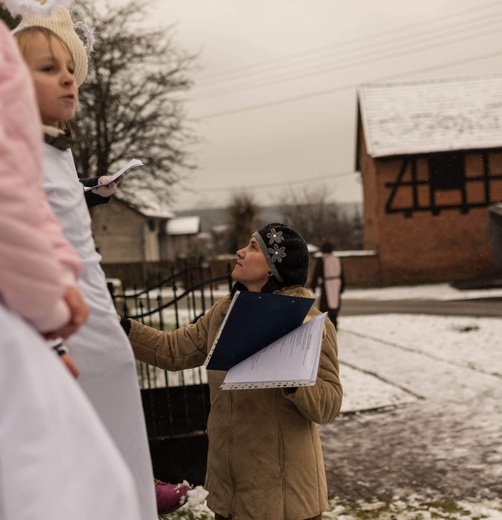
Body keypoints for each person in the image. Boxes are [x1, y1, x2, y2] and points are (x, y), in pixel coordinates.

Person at [0, 18, 144, 520]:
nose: (69, 80)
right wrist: (54, 336)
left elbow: (55, 218)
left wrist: (91, 192)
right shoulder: (13, 151)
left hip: (91, 318)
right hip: (64, 328)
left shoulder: (54, 147)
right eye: (48, 68)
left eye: (71, 70)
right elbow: (22, 234)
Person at [119, 222, 343, 520]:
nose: (240, 251)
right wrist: (119, 326)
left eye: (253, 248)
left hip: (283, 503)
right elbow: (172, 350)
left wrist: (293, 379)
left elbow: (329, 405)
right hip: (229, 498)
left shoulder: (307, 323)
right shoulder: (222, 313)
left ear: (273, 268)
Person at [311, 241, 345, 328]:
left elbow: (316, 273)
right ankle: (334, 322)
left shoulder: (322, 260)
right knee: (334, 305)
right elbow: (342, 274)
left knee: (325, 306)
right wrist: (343, 285)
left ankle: (327, 324)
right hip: (336, 283)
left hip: (326, 284)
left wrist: (313, 284)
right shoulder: (336, 259)